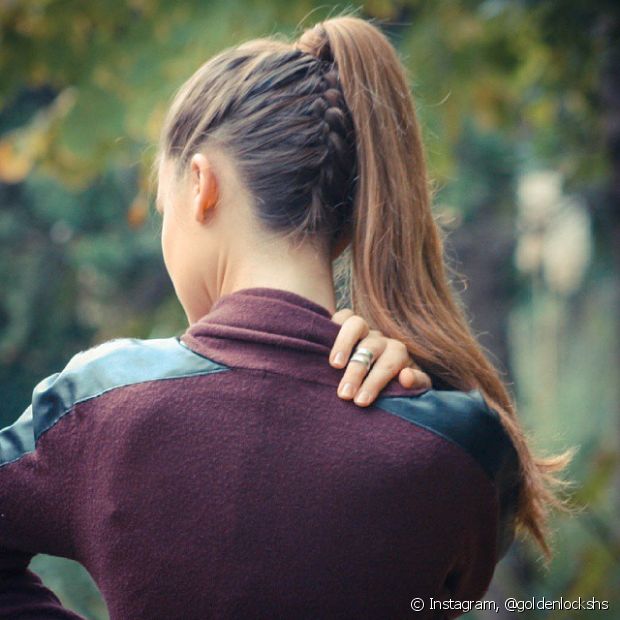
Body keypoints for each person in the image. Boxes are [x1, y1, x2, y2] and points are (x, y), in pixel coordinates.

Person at [0, 14, 575, 620]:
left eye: (163, 204)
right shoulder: (457, 443)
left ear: (201, 186)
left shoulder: (102, 401)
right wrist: (426, 394)